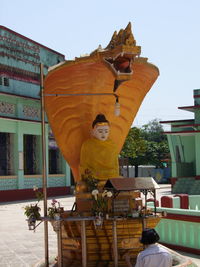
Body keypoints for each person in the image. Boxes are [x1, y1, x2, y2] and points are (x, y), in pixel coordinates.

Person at [79, 113, 119, 181]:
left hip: (111, 177)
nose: (103, 134)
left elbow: (115, 164)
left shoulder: (112, 145)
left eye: (106, 131)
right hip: (94, 178)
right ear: (93, 132)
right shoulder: (87, 145)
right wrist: (87, 175)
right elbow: (83, 165)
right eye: (100, 131)